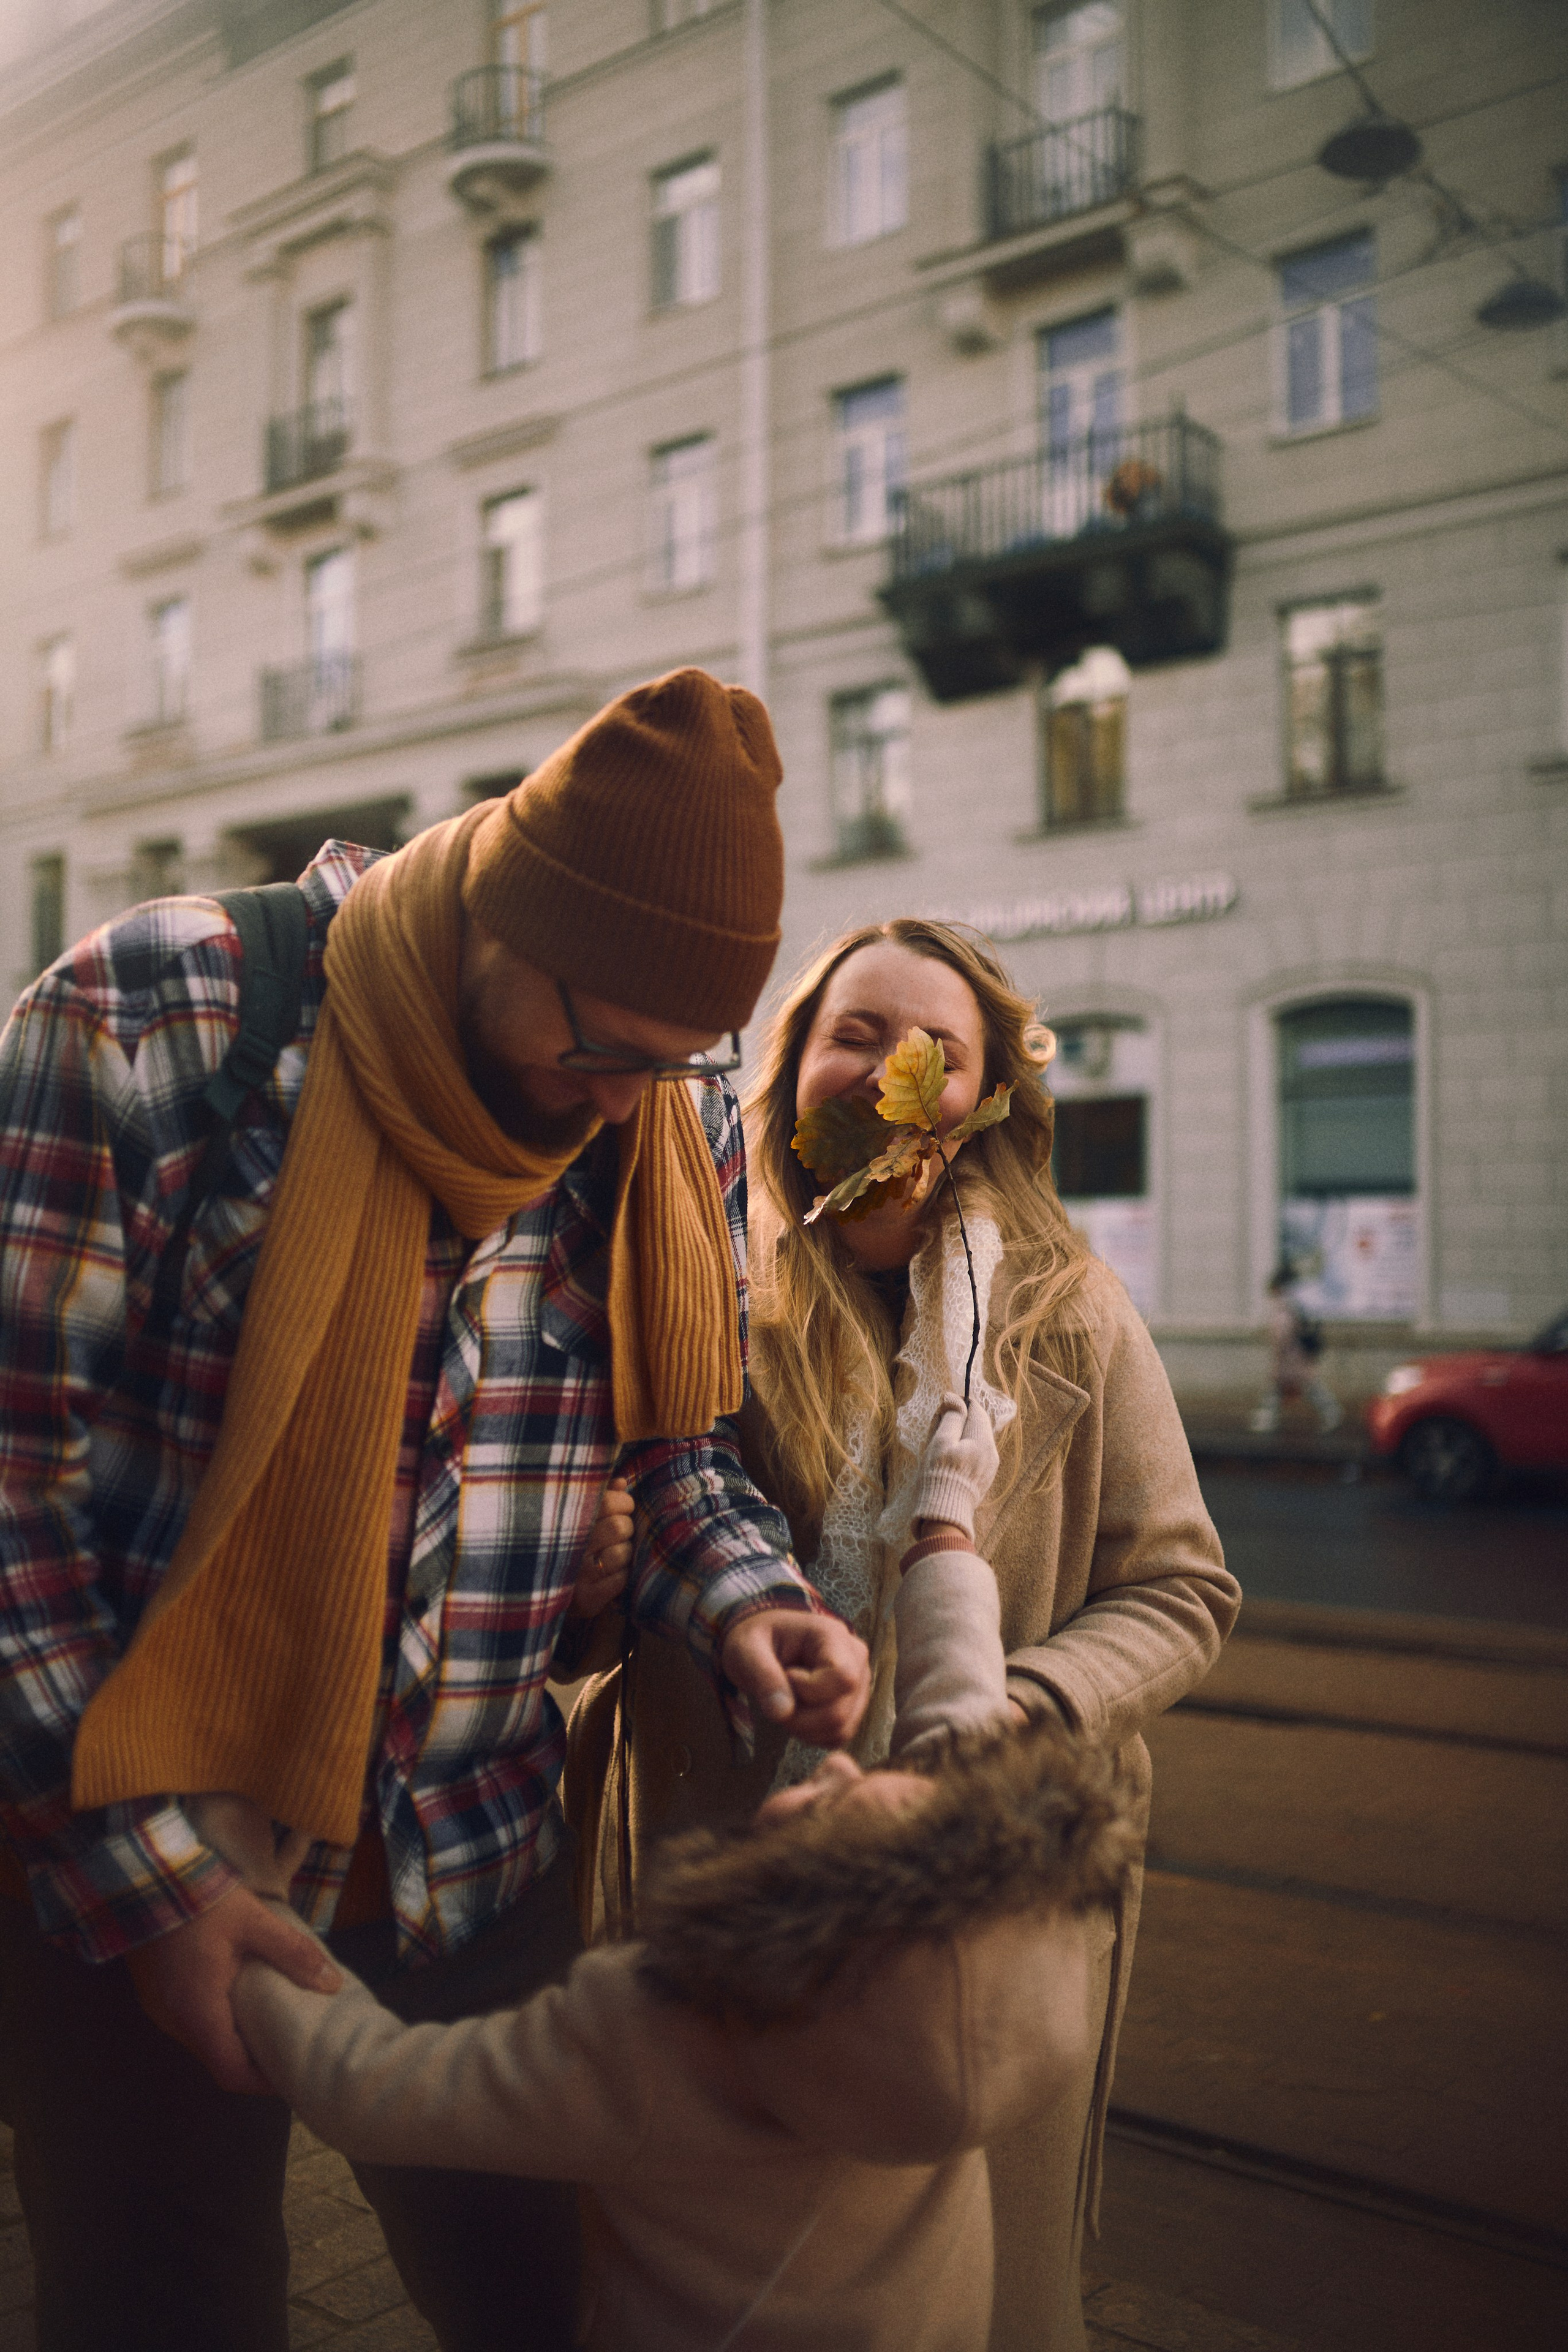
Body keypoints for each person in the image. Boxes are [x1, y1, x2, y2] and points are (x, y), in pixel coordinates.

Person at [0, 668, 870, 2352]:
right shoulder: (147, 1018)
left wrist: (753, 1597)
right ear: (500, 909)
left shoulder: (655, 1113)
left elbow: (673, 1456)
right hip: (149, 1871)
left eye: (671, 1062)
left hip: (479, 1868)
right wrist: (151, 1886)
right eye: (601, 1045)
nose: (620, 1099)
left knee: (556, 2307)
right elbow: (10, 1510)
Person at [566, 917, 1242, 2352]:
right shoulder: (698, 1293)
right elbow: (602, 1608)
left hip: (981, 1896)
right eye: (853, 1030)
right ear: (793, 1061)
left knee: (989, 2297)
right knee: (733, 2274)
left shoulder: (1066, 1311)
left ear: (987, 1092)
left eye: (935, 1048)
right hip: (733, 1868)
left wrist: (1019, 1702)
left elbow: (1180, 1590)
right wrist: (596, 1574)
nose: (888, 1070)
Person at [233, 1531, 1137, 2352]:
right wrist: (943, 1548)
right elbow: (959, 1713)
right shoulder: (962, 2008)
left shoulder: (657, 2038)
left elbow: (376, 2090)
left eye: (833, 1807)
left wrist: (260, 1924)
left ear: (808, 1928)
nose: (844, 1769)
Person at [1250, 1262, 1343, 1434]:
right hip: (1295, 1359)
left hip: (1291, 1360)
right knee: (1286, 1390)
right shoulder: (1290, 1305)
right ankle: (1331, 1413)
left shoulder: (1282, 1308)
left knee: (1305, 1388)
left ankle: (1332, 1413)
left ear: (1276, 1288)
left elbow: (1282, 1336)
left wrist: (1278, 1354)